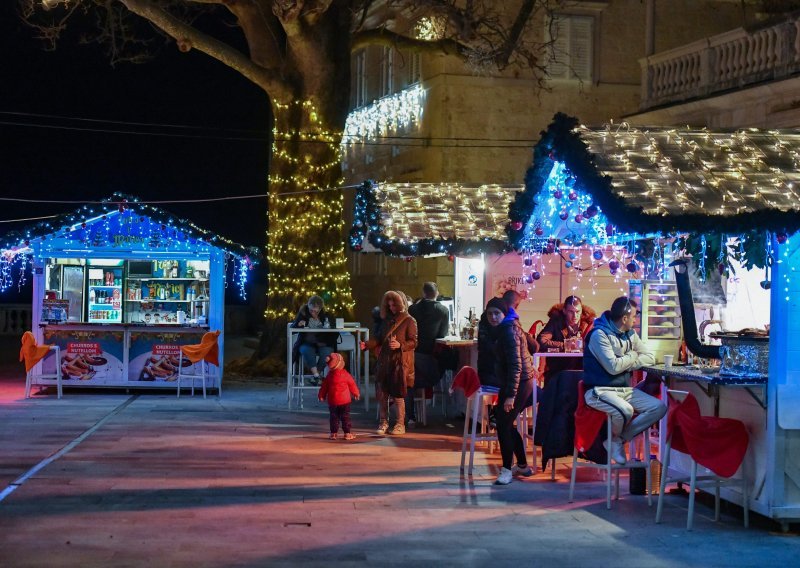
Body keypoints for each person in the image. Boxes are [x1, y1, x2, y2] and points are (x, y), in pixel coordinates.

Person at [583, 296, 666, 465]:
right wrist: (633, 355)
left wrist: (627, 364)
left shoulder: (630, 334)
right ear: (625, 318)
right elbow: (613, 367)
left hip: (623, 390)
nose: (636, 320)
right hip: (598, 390)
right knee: (626, 410)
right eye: (634, 316)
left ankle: (617, 440)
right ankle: (614, 441)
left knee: (658, 407)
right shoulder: (599, 335)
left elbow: (649, 357)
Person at [485, 297, 537, 485]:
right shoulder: (506, 327)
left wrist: (510, 396)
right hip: (518, 381)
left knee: (503, 424)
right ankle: (522, 465)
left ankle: (507, 469)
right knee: (505, 422)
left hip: (520, 382)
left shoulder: (508, 330)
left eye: (496, 313)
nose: (492, 317)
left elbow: (516, 366)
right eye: (490, 313)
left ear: (504, 314)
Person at [361, 290, 418, 435]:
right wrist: (367, 344)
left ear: (400, 304)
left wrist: (400, 345)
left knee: (398, 395)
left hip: (400, 363)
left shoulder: (409, 320)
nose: (392, 308)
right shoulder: (386, 321)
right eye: (390, 305)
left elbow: (414, 342)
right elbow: (379, 338)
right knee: (383, 394)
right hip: (385, 361)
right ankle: (383, 422)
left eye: (394, 305)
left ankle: (400, 424)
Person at [406, 282, 450, 426]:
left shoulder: (412, 308)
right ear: (436, 293)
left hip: (411, 354)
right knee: (449, 360)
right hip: (428, 358)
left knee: (410, 380)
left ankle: (410, 415)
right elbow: (442, 335)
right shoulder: (443, 310)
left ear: (423, 293)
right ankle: (430, 388)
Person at [536, 295, 596, 384]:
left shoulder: (589, 323)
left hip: (581, 372)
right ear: (564, 311)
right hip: (557, 372)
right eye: (571, 312)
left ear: (582, 311)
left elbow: (596, 344)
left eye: (578, 312)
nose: (575, 316)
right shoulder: (555, 321)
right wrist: (567, 345)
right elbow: (541, 341)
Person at [291, 295, 338, 386]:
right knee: (307, 350)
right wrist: (298, 324)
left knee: (327, 352)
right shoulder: (303, 313)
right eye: (311, 310)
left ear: (320, 309)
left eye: (315, 311)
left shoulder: (327, 315)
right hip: (306, 342)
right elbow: (293, 328)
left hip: (323, 343)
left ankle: (316, 375)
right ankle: (316, 376)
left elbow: (334, 332)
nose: (313, 313)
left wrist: (324, 340)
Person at [318, 353, 360, 440]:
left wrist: (321, 396)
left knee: (334, 417)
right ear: (340, 363)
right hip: (345, 401)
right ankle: (347, 433)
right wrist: (356, 393)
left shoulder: (329, 376)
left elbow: (324, 387)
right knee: (345, 417)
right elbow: (352, 384)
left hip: (333, 401)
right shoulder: (345, 374)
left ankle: (333, 433)